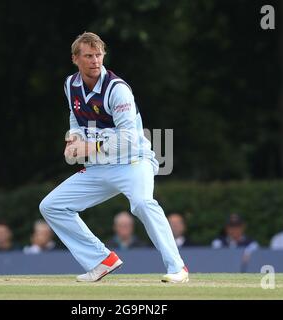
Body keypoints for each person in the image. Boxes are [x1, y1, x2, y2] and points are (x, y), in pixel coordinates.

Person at [39, 32, 188, 283]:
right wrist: (73, 139)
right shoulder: (70, 84)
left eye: (99, 55)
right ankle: (101, 260)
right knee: (51, 206)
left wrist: (88, 148)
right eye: (88, 56)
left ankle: (178, 268)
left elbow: (129, 138)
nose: (95, 60)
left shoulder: (117, 89)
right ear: (76, 59)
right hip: (99, 168)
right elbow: (76, 117)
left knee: (142, 203)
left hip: (133, 161)